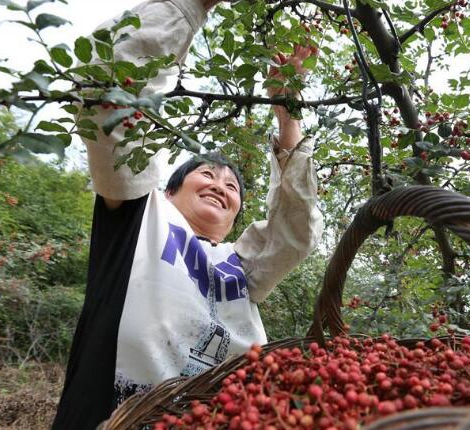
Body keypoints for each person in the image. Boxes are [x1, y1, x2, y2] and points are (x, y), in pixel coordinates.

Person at [51, 0, 323, 428]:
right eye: (207, 175)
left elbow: (295, 231)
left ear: (235, 217)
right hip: (114, 415)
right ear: (169, 190)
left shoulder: (240, 268)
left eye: (232, 187)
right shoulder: (140, 216)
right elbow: (108, 93)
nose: (220, 186)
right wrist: (194, 6)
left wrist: (288, 112)